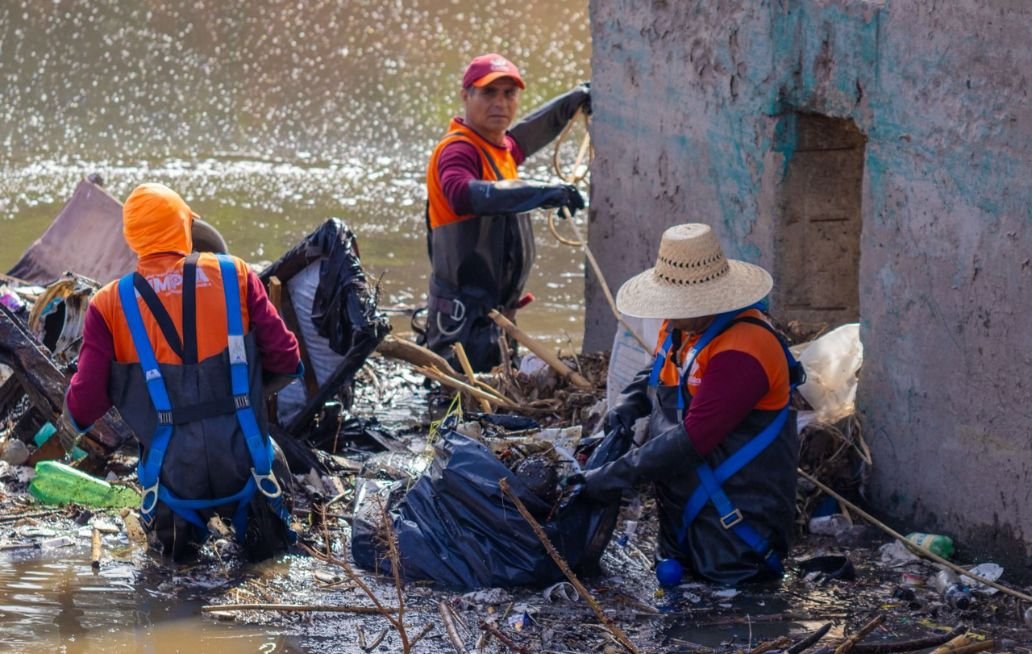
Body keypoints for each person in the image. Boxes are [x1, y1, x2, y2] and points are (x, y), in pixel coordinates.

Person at [60, 183, 303, 562]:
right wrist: (247, 391)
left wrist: (68, 425)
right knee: (271, 565)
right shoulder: (235, 274)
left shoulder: (108, 304)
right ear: (183, 227)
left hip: (173, 481)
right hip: (250, 468)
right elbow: (288, 359)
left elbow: (85, 404)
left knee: (173, 577)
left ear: (132, 238)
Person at [566, 223, 803, 585]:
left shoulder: (744, 350)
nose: (669, 313)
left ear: (712, 298)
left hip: (736, 527)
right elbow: (659, 370)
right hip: (684, 519)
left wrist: (610, 477)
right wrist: (629, 403)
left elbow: (693, 439)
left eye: (678, 305)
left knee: (730, 600)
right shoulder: (681, 328)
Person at [424, 53, 591, 371]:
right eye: (488, 93)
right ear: (465, 96)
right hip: (463, 325)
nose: (500, 103)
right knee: (460, 398)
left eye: (509, 93)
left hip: (495, 318)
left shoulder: (499, 149)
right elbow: (462, 195)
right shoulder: (458, 150)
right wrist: (544, 192)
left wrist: (574, 100)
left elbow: (529, 133)